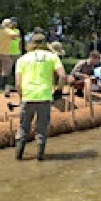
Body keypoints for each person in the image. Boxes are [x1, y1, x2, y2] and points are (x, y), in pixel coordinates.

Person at [14, 33, 66, 161]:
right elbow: (63, 76)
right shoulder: (52, 57)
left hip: (28, 96)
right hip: (45, 96)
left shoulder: (22, 59)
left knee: (23, 128)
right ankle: (40, 157)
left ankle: (18, 157)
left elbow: (18, 83)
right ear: (45, 44)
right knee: (41, 129)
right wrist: (58, 89)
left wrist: (21, 95)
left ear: (31, 44)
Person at [0, 19, 20, 90]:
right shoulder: (8, 30)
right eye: (10, 23)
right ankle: (3, 86)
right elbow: (16, 35)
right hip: (5, 53)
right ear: (8, 24)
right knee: (5, 70)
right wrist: (11, 29)